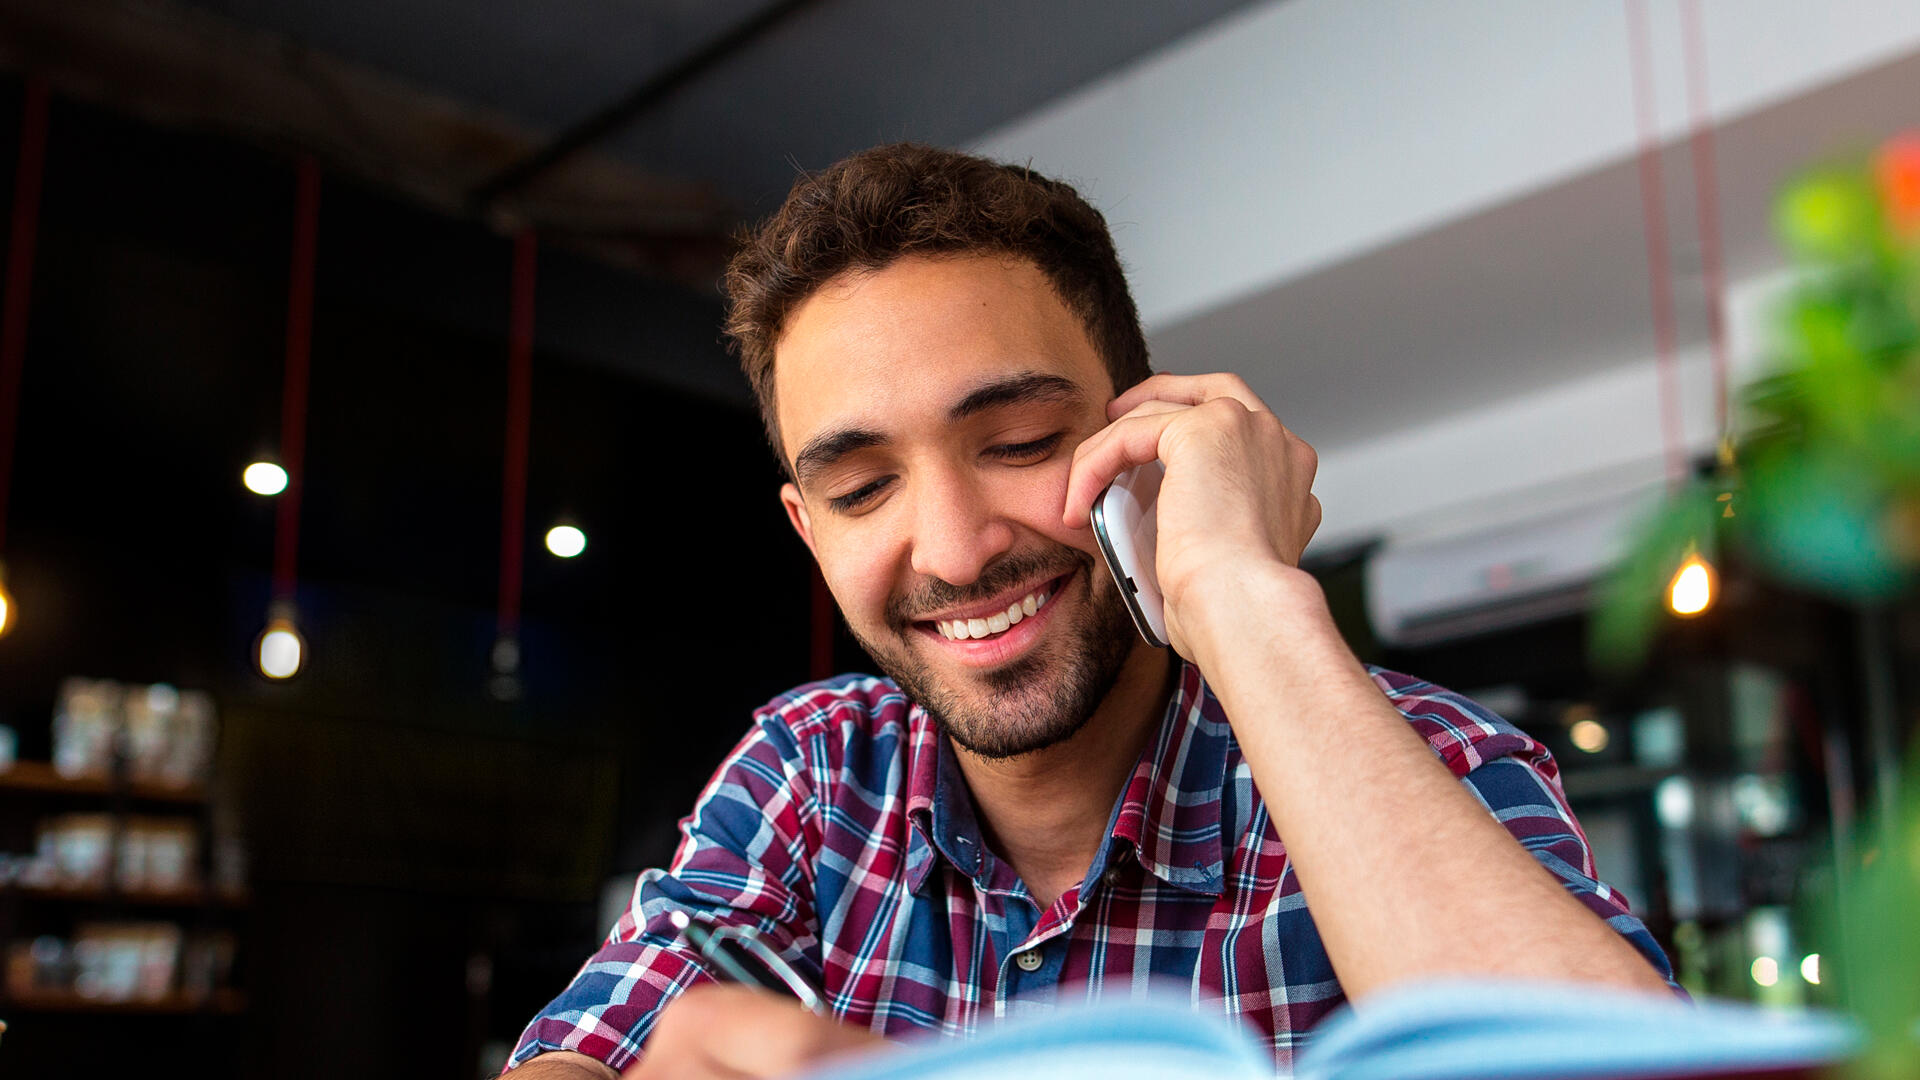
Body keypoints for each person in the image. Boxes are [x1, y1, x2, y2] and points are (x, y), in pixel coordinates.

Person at [505, 144, 1679, 1080]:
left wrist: (1237, 589)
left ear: (1146, 437)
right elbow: (594, 1039)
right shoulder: (815, 771)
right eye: (863, 489)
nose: (958, 549)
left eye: (1017, 445)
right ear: (811, 529)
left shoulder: (1428, 763)